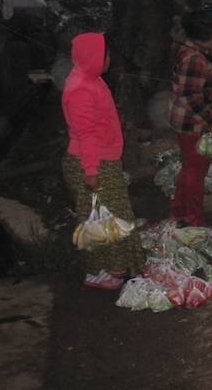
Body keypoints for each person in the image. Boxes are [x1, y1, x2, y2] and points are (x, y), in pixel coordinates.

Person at [62, 32, 144, 290]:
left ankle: (116, 266)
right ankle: (96, 272)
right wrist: (90, 170)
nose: (108, 59)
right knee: (97, 219)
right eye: (105, 55)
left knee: (114, 215)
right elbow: (85, 134)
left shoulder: (91, 80)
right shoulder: (79, 89)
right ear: (93, 57)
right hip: (91, 163)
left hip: (101, 160)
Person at [169, 8, 212, 226]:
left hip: (192, 122)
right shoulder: (194, 58)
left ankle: (178, 213)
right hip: (194, 124)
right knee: (195, 172)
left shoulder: (196, 52)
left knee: (190, 168)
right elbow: (191, 95)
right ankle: (193, 219)